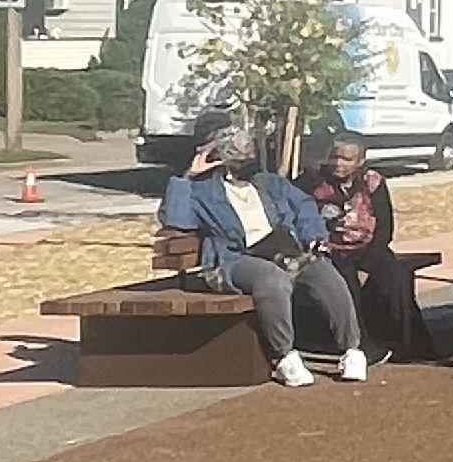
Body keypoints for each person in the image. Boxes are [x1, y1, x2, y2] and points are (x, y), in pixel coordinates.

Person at [161, 125, 364, 387]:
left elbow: (303, 203)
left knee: (322, 271)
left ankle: (351, 350)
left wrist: (312, 234)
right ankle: (284, 356)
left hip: (281, 250)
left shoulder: (268, 182)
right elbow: (178, 220)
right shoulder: (202, 190)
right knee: (271, 278)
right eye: (237, 155)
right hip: (235, 258)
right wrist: (187, 177)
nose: (245, 160)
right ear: (220, 157)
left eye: (247, 154)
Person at [305, 134, 436, 360]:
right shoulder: (312, 182)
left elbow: (385, 227)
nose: (339, 163)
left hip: (368, 248)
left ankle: (410, 345)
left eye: (347, 159)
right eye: (335, 157)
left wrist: (367, 265)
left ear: (360, 161)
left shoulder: (373, 182)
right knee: (346, 281)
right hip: (330, 250)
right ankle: (362, 346)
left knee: (395, 277)